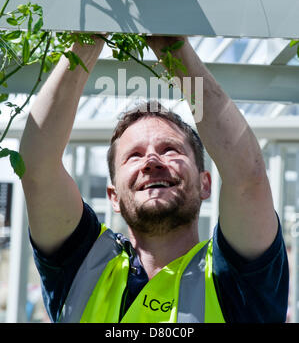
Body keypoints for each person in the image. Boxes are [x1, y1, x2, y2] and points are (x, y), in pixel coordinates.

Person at [19, 35, 289, 323]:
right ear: (114, 197)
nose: (151, 162)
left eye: (170, 149)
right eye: (134, 155)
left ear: (205, 183)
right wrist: (88, 39)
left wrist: (173, 47)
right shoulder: (84, 267)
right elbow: (37, 169)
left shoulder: (235, 278)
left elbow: (247, 178)